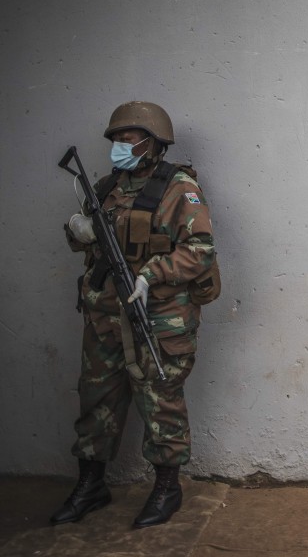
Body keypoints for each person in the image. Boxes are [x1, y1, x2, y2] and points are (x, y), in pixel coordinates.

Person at [52, 101, 218, 528]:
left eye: (129, 140)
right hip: (104, 314)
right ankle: (91, 485)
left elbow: (200, 252)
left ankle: (167, 487)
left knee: (160, 401)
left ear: (154, 144)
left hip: (158, 318)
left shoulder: (178, 189)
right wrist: (79, 232)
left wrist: (151, 274)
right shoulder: (107, 187)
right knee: (96, 399)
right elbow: (91, 243)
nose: (120, 147)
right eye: (117, 140)